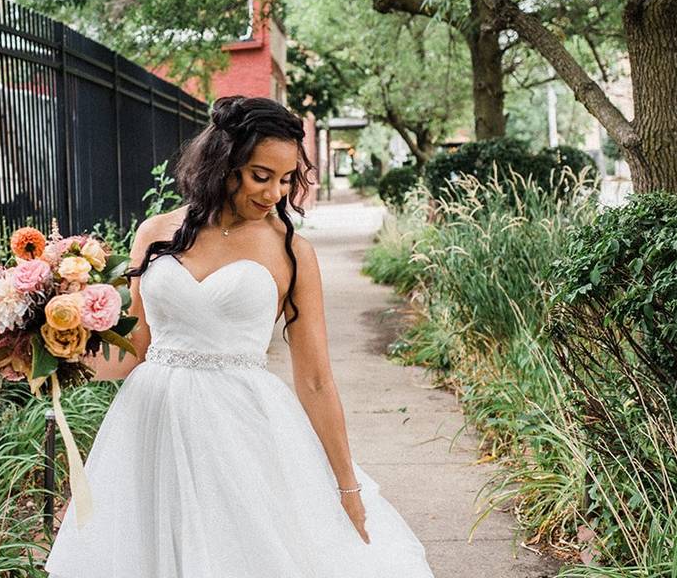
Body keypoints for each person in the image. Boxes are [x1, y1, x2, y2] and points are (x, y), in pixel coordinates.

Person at [43, 96, 434, 577]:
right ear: (222, 163)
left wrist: (346, 485)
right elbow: (136, 349)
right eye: (260, 175)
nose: (274, 193)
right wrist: (50, 357)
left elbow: (314, 381)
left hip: (243, 428)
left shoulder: (293, 253)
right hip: (151, 423)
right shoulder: (156, 233)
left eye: (287, 178)